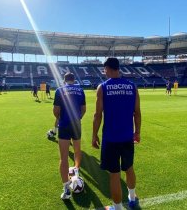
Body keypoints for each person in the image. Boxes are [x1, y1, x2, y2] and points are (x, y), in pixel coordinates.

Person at [92, 58, 141, 210]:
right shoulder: (132, 87)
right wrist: (137, 132)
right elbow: (137, 113)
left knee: (114, 174)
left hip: (110, 139)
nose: (104, 72)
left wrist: (94, 135)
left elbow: (97, 115)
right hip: (127, 137)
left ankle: (117, 207)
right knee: (129, 168)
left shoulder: (103, 87)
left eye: (104, 69)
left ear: (108, 68)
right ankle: (132, 199)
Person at [53, 72, 86, 200]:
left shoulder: (59, 90)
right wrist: (78, 118)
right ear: (74, 79)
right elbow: (83, 109)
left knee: (64, 157)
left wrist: (60, 119)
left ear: (64, 80)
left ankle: (66, 189)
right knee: (77, 150)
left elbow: (56, 110)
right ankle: (76, 169)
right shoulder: (80, 90)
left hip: (65, 125)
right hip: (76, 124)